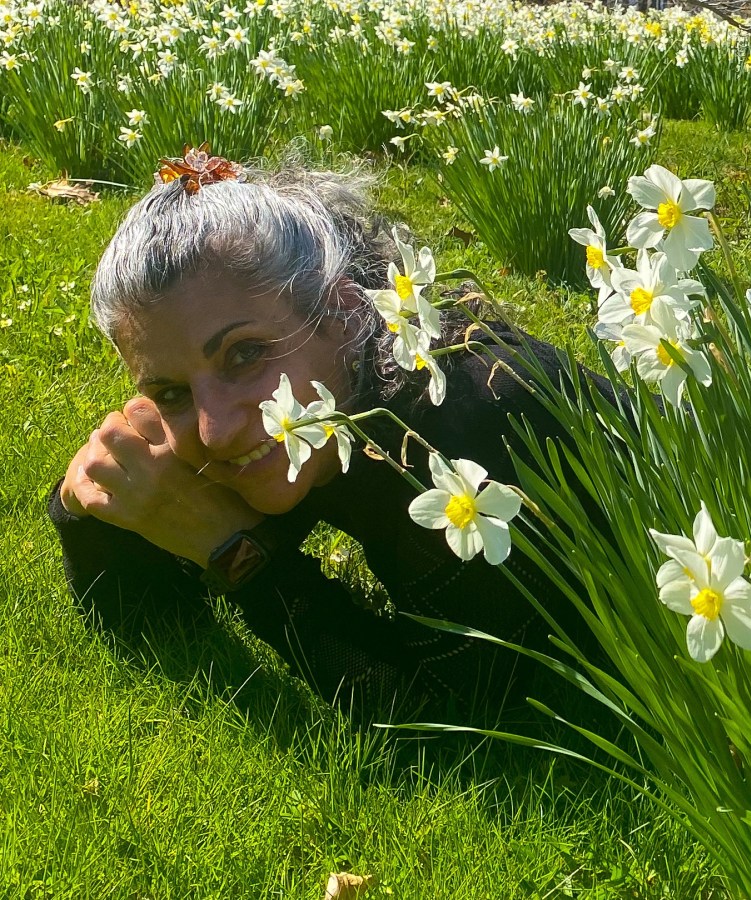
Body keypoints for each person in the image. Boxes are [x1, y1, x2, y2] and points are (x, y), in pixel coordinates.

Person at [47, 147, 607, 722]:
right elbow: (147, 624)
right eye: (169, 392)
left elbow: (449, 717)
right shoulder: (315, 402)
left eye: (244, 354)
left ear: (342, 311)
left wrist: (243, 556)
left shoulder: (458, 428)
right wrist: (95, 502)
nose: (216, 430)